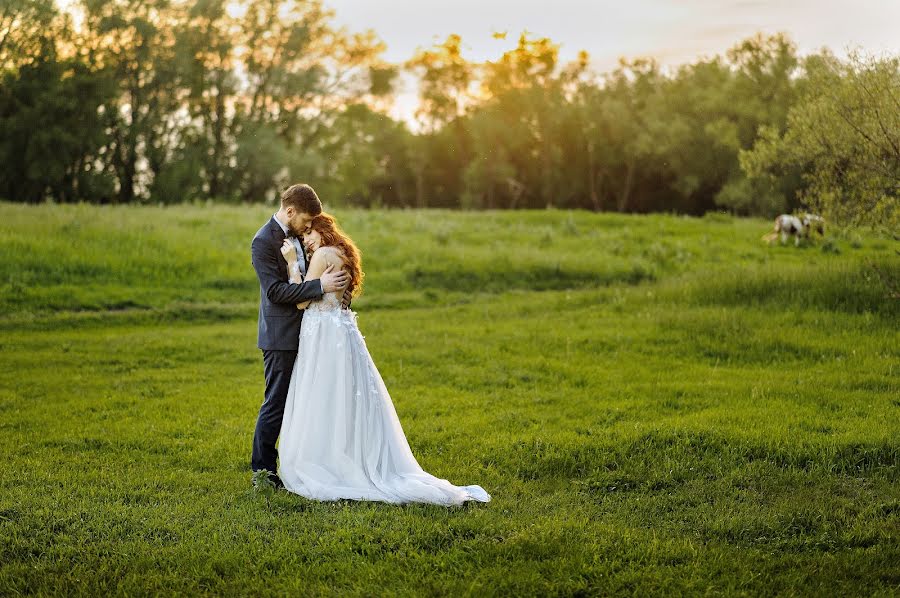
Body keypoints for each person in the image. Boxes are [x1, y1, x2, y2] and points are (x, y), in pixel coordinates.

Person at [277, 212, 491, 505]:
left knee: (324, 395)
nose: (306, 242)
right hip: (342, 333)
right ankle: (348, 455)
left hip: (324, 336)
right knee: (345, 396)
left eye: (308, 235)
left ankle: (328, 460)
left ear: (321, 231)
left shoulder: (323, 255)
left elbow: (301, 300)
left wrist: (291, 263)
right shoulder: (343, 253)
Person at [250, 184, 350, 488]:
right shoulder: (263, 241)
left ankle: (310, 464)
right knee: (277, 404)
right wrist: (321, 286)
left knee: (306, 403)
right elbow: (276, 291)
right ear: (290, 211)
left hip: (312, 334)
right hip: (281, 337)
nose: (308, 227)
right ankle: (263, 472)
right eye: (305, 220)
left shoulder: (300, 237)